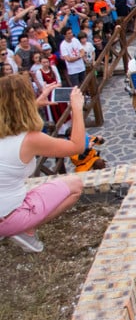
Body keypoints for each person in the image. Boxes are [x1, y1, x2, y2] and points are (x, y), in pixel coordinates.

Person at [0, 76, 85, 252]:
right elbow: (77, 146)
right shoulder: (30, 139)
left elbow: (13, 116)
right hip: (7, 218)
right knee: (75, 185)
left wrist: (38, 103)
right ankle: (25, 229)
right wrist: (76, 108)